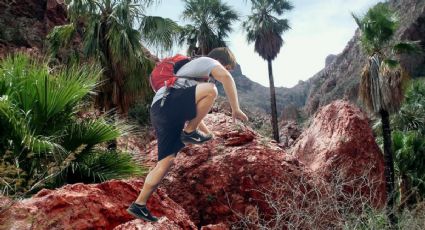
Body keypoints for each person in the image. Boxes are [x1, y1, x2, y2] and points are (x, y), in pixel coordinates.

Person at [127, 47, 248, 222]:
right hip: (169, 103)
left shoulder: (190, 79)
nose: (225, 71)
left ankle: (139, 204)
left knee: (165, 163)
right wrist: (235, 109)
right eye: (227, 67)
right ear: (222, 62)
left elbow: (195, 113)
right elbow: (226, 78)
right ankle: (189, 132)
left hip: (161, 110)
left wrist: (209, 134)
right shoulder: (208, 61)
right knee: (212, 90)